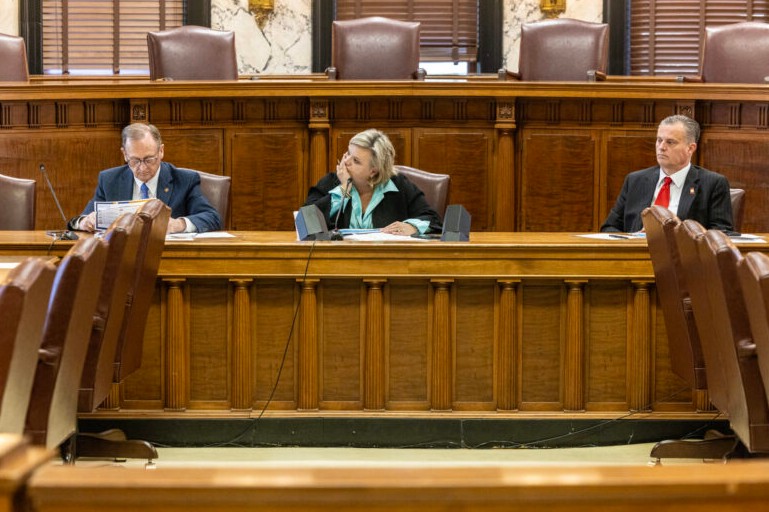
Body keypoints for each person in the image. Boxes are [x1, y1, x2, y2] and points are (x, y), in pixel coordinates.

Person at [68, 123, 221, 234]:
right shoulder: (110, 180)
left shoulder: (184, 180)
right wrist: (84, 222)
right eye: (135, 161)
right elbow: (80, 219)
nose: (142, 168)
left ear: (161, 151)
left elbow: (212, 218)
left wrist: (177, 225)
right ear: (125, 154)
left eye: (149, 160)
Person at [601, 115, 734, 234]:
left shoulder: (712, 183)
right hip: (637, 251)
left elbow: (721, 233)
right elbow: (609, 228)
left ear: (690, 148)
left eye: (670, 142)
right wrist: (633, 239)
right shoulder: (635, 180)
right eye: (659, 140)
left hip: (684, 253)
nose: (661, 147)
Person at [305, 129, 442, 236]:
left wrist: (412, 227)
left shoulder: (398, 185)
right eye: (348, 153)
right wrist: (343, 189)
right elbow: (306, 220)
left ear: (373, 171)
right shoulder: (332, 181)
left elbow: (432, 219)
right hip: (338, 260)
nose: (346, 162)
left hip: (387, 260)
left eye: (356, 161)